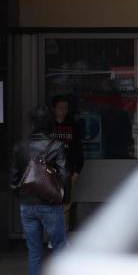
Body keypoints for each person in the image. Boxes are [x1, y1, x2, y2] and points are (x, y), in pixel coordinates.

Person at [10, 106, 68, 275]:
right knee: (60, 248)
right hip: (50, 205)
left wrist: (23, 196)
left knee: (34, 252)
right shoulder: (57, 146)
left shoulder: (20, 147)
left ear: (33, 123)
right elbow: (64, 177)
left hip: (28, 206)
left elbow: (13, 179)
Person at [51, 95, 84, 230]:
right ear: (53, 109)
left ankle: (61, 237)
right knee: (51, 204)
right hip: (50, 171)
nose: (63, 111)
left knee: (66, 205)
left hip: (68, 171)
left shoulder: (73, 126)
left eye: (65, 108)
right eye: (60, 108)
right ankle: (53, 237)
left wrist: (77, 171)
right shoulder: (48, 126)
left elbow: (78, 150)